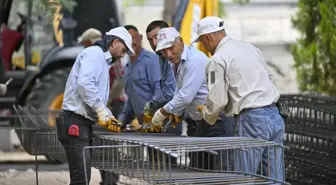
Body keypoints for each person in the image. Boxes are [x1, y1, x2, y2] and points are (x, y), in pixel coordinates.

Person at [193, 16, 285, 180]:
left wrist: (207, 114)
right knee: (273, 178)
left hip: (252, 120)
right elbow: (269, 78)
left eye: (202, 41)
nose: (203, 46)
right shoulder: (250, 48)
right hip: (275, 116)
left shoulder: (218, 59)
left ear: (207, 37)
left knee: (243, 177)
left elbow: (218, 101)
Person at [56, 26, 135, 185]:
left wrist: (108, 116)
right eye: (124, 48)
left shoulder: (103, 60)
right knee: (80, 180)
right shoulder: (94, 54)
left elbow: (94, 94)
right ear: (115, 42)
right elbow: (85, 85)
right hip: (74, 122)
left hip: (81, 122)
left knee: (82, 178)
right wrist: (101, 110)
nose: (123, 54)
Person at [152, 27, 233, 170]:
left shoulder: (195, 60)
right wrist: (176, 112)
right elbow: (180, 91)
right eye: (164, 51)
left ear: (181, 42)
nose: (168, 54)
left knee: (220, 174)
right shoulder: (178, 63)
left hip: (217, 124)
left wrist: (161, 113)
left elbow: (186, 96)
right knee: (199, 171)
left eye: (170, 48)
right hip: (200, 123)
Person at [117, 25, 162, 131]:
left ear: (140, 38)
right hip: (146, 127)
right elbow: (131, 100)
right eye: (126, 40)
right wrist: (120, 122)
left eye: (133, 38)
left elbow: (159, 92)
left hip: (161, 124)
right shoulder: (128, 67)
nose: (131, 43)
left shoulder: (152, 60)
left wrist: (149, 113)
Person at [145, 20, 183, 135]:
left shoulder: (172, 58)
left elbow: (169, 93)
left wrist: (151, 106)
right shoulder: (162, 59)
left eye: (157, 37)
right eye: (150, 40)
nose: (155, 43)